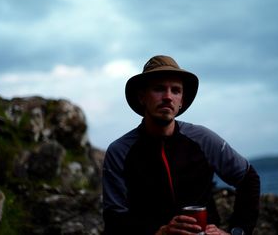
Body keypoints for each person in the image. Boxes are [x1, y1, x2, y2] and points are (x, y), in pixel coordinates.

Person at [102, 56, 260, 235]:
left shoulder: (202, 139)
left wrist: (236, 232)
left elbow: (248, 178)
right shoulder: (120, 151)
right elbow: (114, 220)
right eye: (159, 89)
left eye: (175, 90)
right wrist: (160, 233)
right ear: (142, 97)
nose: (168, 97)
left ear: (181, 101)